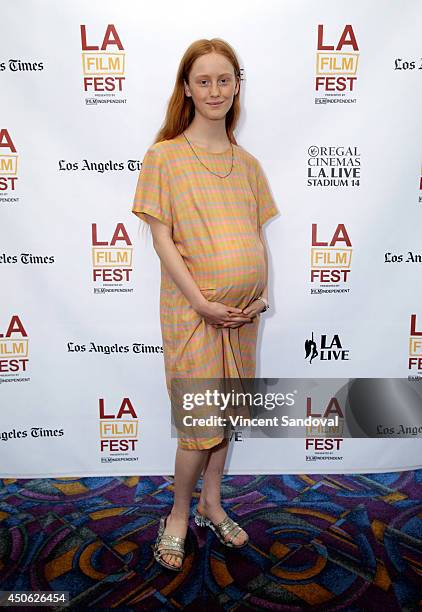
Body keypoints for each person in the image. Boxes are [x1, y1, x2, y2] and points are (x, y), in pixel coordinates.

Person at [132, 38, 279, 571]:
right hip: (193, 313)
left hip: (243, 316)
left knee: (229, 414)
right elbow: (162, 240)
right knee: (200, 421)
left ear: (237, 84)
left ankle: (213, 504)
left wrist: (261, 294)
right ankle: (177, 515)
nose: (215, 90)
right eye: (203, 80)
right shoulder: (164, 156)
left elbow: (255, 235)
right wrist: (202, 303)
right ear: (187, 88)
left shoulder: (248, 164)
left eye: (224, 79)